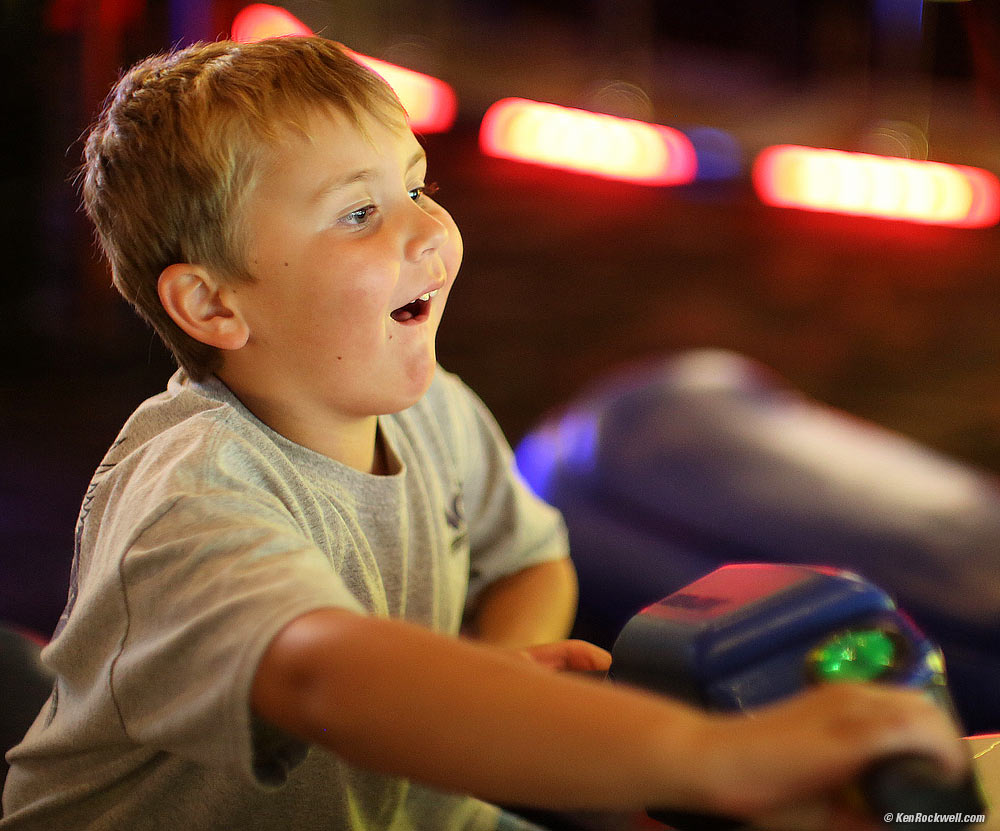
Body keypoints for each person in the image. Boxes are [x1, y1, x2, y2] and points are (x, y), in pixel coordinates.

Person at [1, 36, 970, 831]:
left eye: (416, 187)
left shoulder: (431, 409)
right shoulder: (191, 497)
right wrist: (719, 761)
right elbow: (328, 679)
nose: (427, 233)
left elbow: (531, 559)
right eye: (358, 213)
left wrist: (491, 671)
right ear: (213, 304)